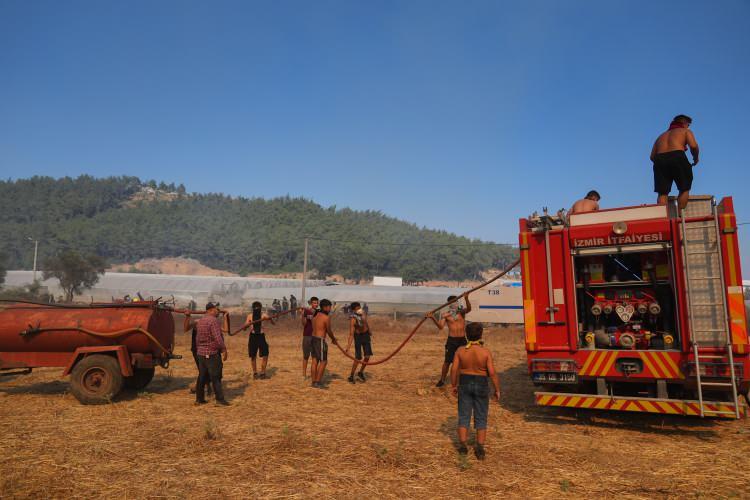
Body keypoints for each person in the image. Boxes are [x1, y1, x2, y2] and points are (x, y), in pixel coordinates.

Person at [451, 322, 500, 460]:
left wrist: (454, 385)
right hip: (481, 383)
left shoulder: (460, 351)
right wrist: (497, 389)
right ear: (481, 334)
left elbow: (454, 369)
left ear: (466, 335)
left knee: (464, 415)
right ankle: (479, 448)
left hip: (465, 383)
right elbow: (492, 373)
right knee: (481, 416)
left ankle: (462, 446)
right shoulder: (485, 352)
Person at [650, 114, 700, 211]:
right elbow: (693, 146)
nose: (688, 127)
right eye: (688, 125)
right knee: (684, 188)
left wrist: (663, 164)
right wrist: (696, 158)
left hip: (659, 159)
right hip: (678, 156)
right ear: (684, 123)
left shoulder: (660, 137)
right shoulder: (685, 131)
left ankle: (663, 219)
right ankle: (680, 217)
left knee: (662, 193)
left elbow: (652, 157)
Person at [430, 294, 472, 387]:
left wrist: (466, 298)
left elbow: (469, 309)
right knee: (447, 361)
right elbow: (440, 327)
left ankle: (461, 381)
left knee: (463, 361)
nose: (455, 303)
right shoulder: (446, 315)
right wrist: (432, 317)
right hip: (452, 340)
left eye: (456, 301)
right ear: (449, 304)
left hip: (462, 340)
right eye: (453, 302)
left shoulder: (461, 312)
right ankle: (442, 380)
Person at [195, 302, 229, 406]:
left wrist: (199, 350)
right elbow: (218, 338)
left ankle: (199, 399)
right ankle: (219, 400)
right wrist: (224, 349)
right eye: (216, 309)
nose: (218, 311)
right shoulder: (213, 321)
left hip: (201, 353)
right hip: (212, 353)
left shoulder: (200, 321)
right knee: (216, 377)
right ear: (210, 310)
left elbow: (197, 338)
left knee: (202, 376)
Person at [236, 301, 275, 379]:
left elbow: (273, 323)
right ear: (253, 308)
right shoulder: (250, 316)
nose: (257, 309)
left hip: (261, 336)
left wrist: (269, 319)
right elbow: (244, 328)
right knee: (253, 355)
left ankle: (263, 372)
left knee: (265, 353)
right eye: (255, 308)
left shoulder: (263, 315)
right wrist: (248, 325)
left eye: (258, 308)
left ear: (260, 308)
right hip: (253, 337)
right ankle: (255, 373)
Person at [311, 298, 338, 388]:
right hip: (320, 340)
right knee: (323, 361)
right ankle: (317, 382)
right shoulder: (326, 318)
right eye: (329, 307)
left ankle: (313, 381)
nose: (330, 309)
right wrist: (333, 339)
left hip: (313, 339)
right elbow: (329, 331)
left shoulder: (315, 315)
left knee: (315, 361)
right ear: (325, 307)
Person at [347, 302, 373, 384]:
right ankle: (351, 375)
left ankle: (360, 372)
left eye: (359, 307)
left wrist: (369, 330)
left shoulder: (364, 314)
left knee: (367, 356)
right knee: (358, 357)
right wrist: (348, 346)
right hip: (358, 336)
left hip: (365, 335)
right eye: (357, 308)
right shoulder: (353, 319)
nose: (359, 309)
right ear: (353, 310)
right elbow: (351, 334)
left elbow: (366, 322)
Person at [300, 297, 319, 379]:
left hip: (316, 336)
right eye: (314, 303)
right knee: (306, 356)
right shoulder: (306, 311)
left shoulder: (319, 312)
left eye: (317, 303)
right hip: (307, 335)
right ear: (311, 303)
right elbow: (304, 324)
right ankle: (304, 374)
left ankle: (313, 373)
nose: (316, 304)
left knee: (315, 357)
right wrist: (302, 315)